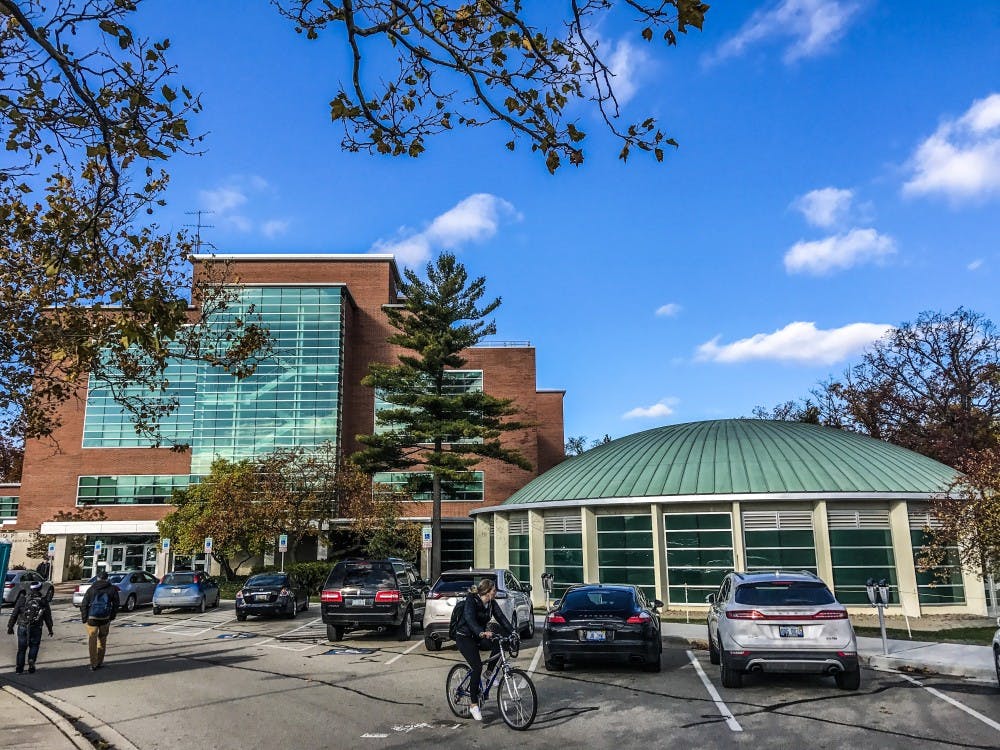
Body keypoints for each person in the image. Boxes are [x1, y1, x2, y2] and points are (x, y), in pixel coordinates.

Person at [453, 578, 514, 722]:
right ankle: (474, 705)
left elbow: (502, 619)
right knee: (477, 666)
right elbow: (469, 618)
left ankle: (489, 673)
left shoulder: (491, 604)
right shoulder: (472, 600)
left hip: (478, 636)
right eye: (494, 590)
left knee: (501, 643)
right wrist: (481, 632)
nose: (496, 593)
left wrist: (513, 632)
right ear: (487, 591)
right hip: (465, 637)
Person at [6, 581, 54, 674]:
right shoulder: (43, 601)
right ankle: (31, 662)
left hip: (23, 626)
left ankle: (19, 669)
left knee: (21, 648)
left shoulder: (22, 599)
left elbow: (14, 613)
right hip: (36, 627)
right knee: (34, 646)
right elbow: (47, 616)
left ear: (30, 589)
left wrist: (10, 626)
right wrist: (50, 629)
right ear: (39, 589)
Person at [79, 570, 120, 671]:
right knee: (102, 639)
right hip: (105, 618)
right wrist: (112, 616)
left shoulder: (91, 589)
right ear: (107, 578)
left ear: (97, 578)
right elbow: (116, 604)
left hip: (92, 617)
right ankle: (100, 661)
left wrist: (84, 618)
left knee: (92, 640)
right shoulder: (112, 589)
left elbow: (84, 604)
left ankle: (93, 663)